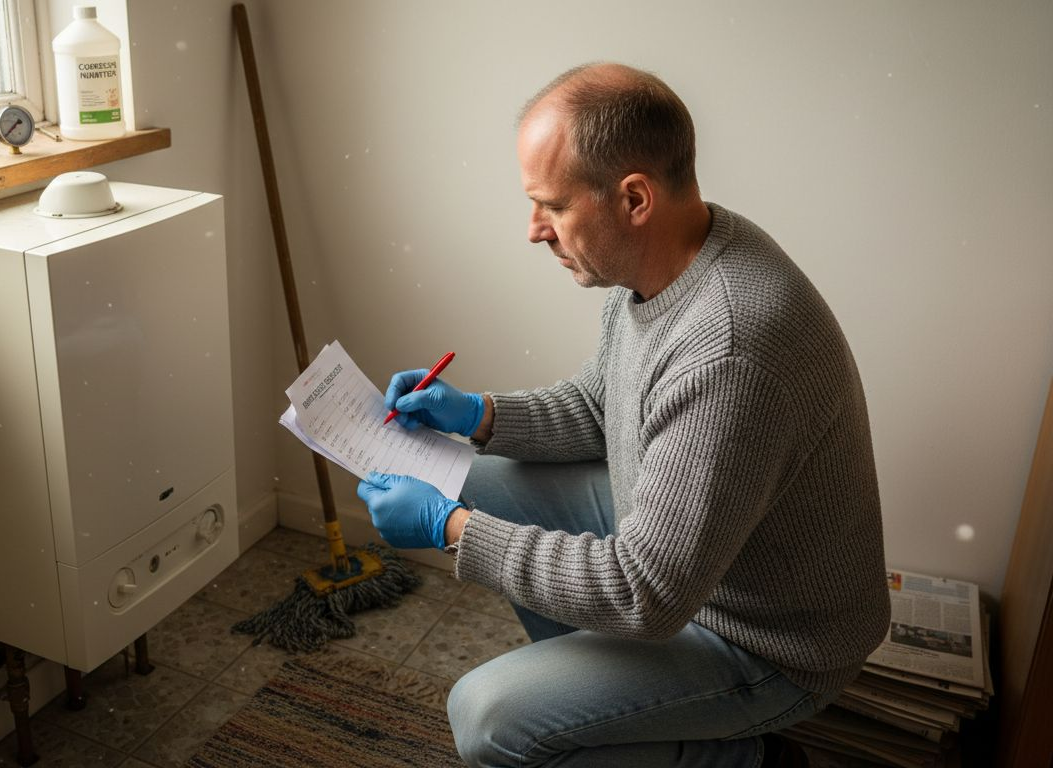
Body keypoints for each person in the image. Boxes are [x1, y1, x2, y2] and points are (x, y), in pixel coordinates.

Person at [355, 62, 889, 768]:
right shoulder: (667, 259)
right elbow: (596, 407)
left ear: (633, 198)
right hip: (693, 561)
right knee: (474, 476)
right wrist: (476, 415)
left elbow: (645, 594)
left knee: (488, 719)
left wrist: (450, 531)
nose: (533, 230)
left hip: (761, 639)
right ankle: (611, 702)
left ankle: (742, 759)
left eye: (551, 205)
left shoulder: (729, 351)